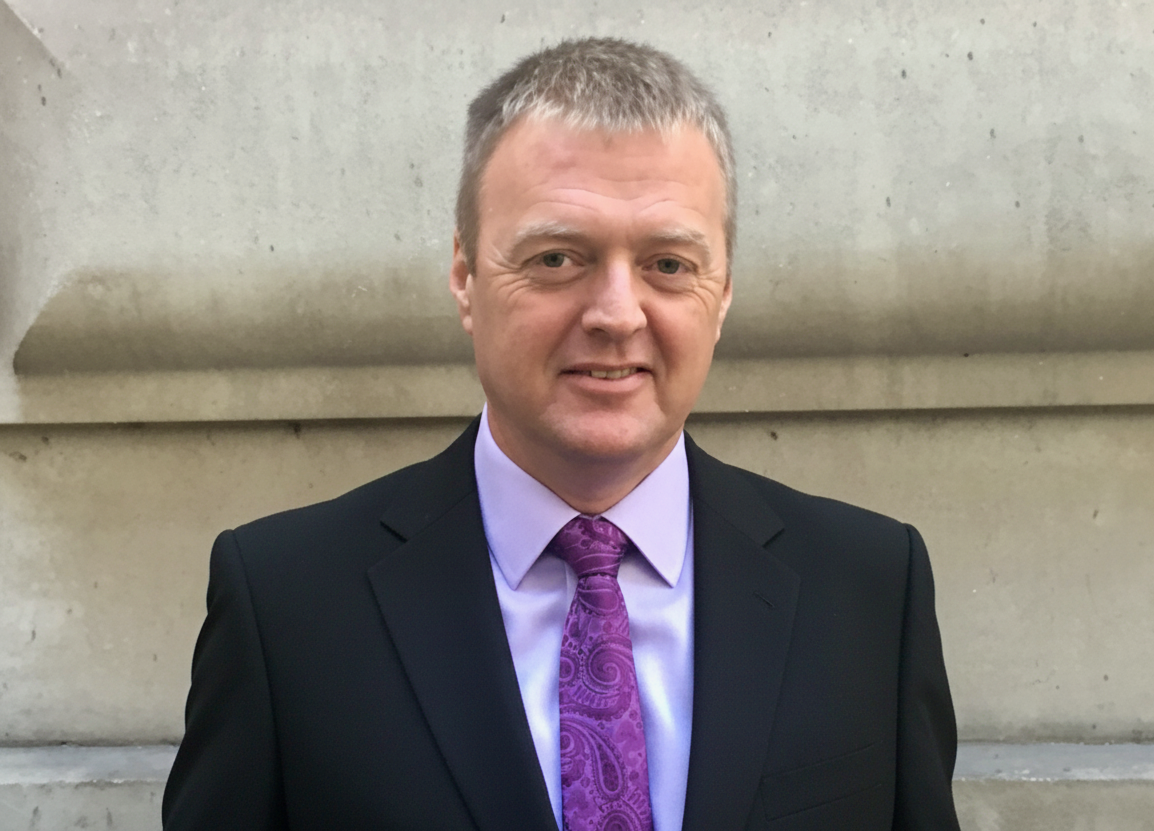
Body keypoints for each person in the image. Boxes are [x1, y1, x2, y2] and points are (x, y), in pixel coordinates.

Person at [162, 37, 961, 831]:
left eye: (668, 264)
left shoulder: (868, 590)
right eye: (556, 258)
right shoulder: (286, 605)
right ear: (465, 276)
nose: (616, 313)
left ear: (722, 293)